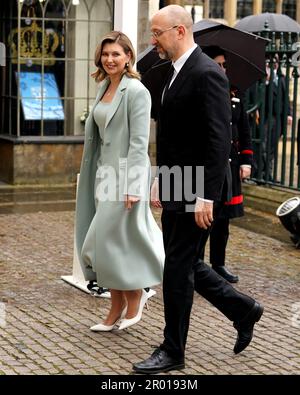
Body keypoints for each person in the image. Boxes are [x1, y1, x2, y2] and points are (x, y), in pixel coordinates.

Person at [133, 5, 263, 374]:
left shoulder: (207, 73)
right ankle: (243, 309)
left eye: (157, 33)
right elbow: (173, 136)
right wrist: (162, 177)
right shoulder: (173, 72)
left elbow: (219, 140)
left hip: (198, 188)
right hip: (177, 179)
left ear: (179, 30)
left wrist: (205, 196)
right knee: (184, 261)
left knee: (176, 267)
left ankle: (173, 350)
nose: (152, 40)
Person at [75, 31, 164, 332]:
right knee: (107, 245)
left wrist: (133, 185)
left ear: (128, 57)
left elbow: (139, 143)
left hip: (125, 178)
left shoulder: (137, 91)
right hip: (103, 176)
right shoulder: (104, 86)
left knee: (102, 243)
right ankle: (115, 308)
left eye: (116, 54)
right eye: (105, 54)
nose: (110, 59)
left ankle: (137, 293)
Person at [199, 46, 254, 283]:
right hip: (209, 164)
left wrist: (246, 160)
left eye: (224, 64)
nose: (221, 68)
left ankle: (218, 264)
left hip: (230, 164)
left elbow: (244, 129)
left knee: (223, 220)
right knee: (204, 220)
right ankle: (197, 264)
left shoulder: (234, 91)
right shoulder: (202, 89)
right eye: (217, 64)